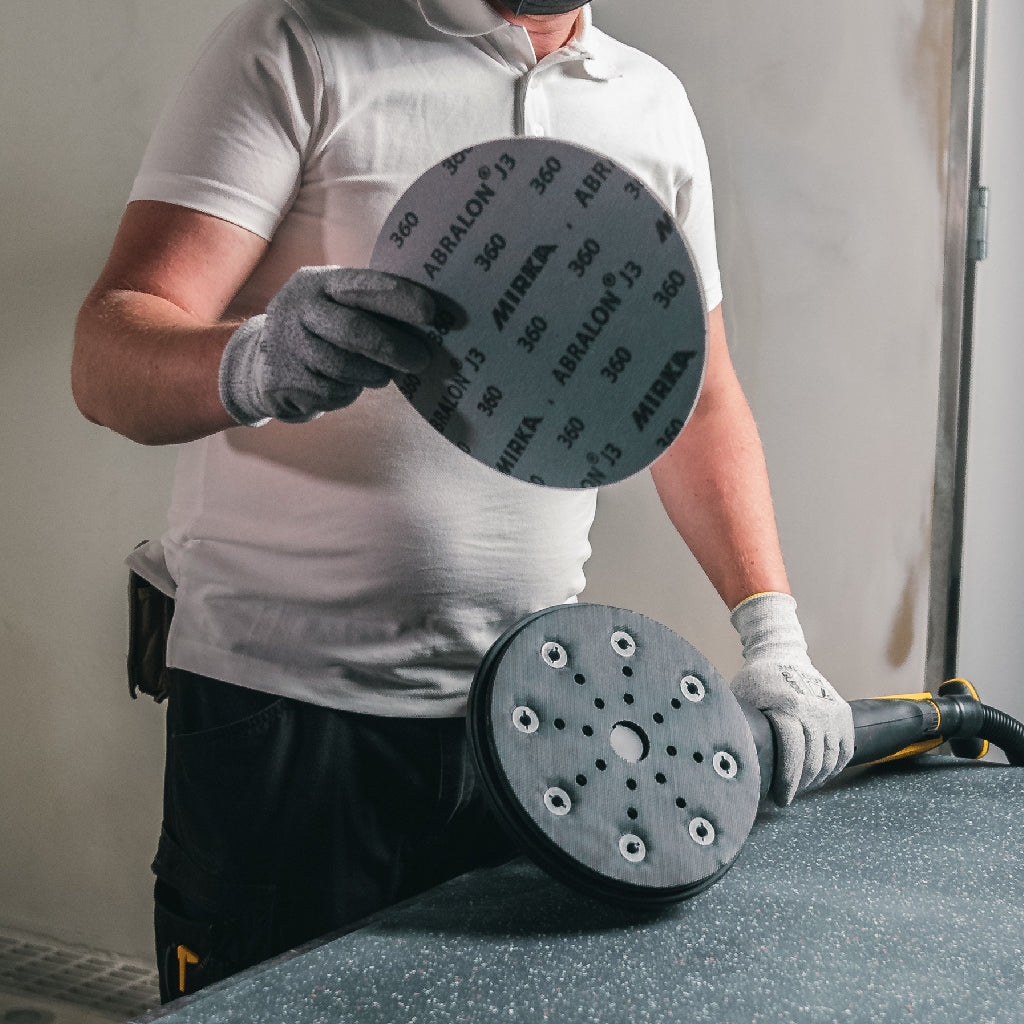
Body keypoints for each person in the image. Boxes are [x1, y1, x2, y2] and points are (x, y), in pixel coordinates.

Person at [72, 0, 855, 1001]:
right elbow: (105, 356)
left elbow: (696, 399)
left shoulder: (650, 105)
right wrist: (250, 360)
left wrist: (774, 635)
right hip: (292, 712)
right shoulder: (303, 41)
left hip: (539, 715)